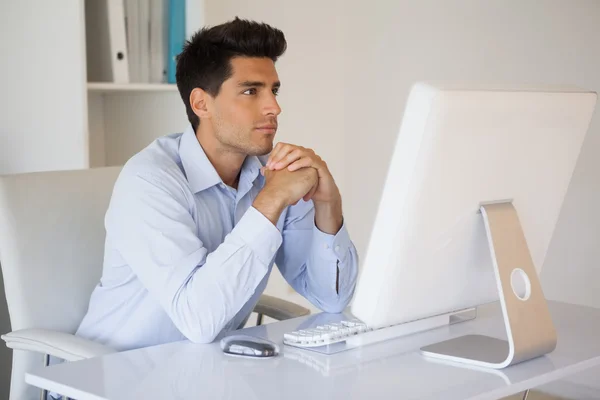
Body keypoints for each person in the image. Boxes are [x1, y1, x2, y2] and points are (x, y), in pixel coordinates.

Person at [76, 17, 359, 351]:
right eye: (251, 91)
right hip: (108, 379)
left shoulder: (273, 174)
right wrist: (269, 202)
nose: (274, 107)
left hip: (202, 374)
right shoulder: (149, 181)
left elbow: (333, 298)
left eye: (274, 90)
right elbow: (198, 319)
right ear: (201, 103)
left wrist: (328, 204)